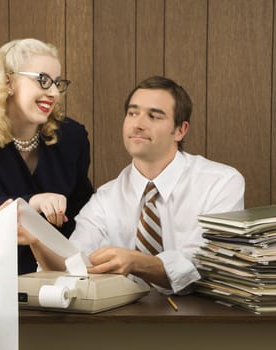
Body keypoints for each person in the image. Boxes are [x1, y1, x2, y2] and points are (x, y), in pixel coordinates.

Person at [17, 75, 245, 295]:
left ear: (180, 130)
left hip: (206, 324)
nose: (138, 124)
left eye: (154, 116)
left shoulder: (221, 182)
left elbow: (205, 264)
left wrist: (137, 262)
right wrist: (37, 241)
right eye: (132, 113)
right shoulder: (105, 198)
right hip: (120, 326)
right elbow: (73, 265)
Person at [0, 38, 94, 288]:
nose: (52, 92)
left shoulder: (74, 137)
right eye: (42, 80)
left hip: (58, 269)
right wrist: (34, 202)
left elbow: (82, 204)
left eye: (57, 83)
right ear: (8, 82)